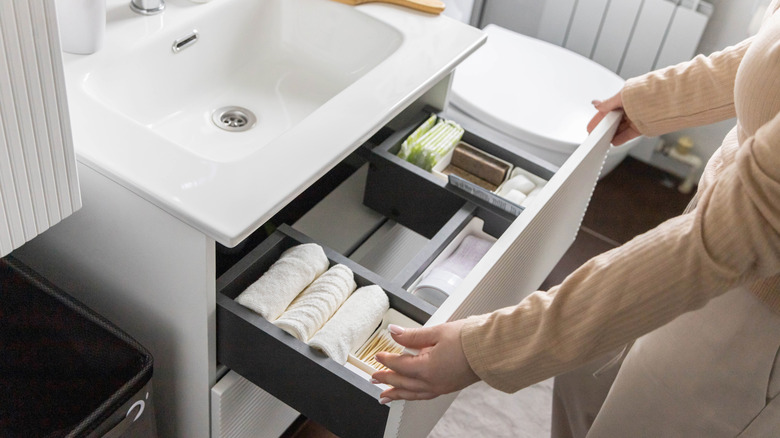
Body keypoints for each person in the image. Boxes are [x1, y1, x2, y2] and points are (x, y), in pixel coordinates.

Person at [370, 1, 780, 436]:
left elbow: (711, 243)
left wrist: (486, 349)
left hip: (755, 315)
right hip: (725, 221)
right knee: (584, 377)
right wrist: (653, 99)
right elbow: (767, 51)